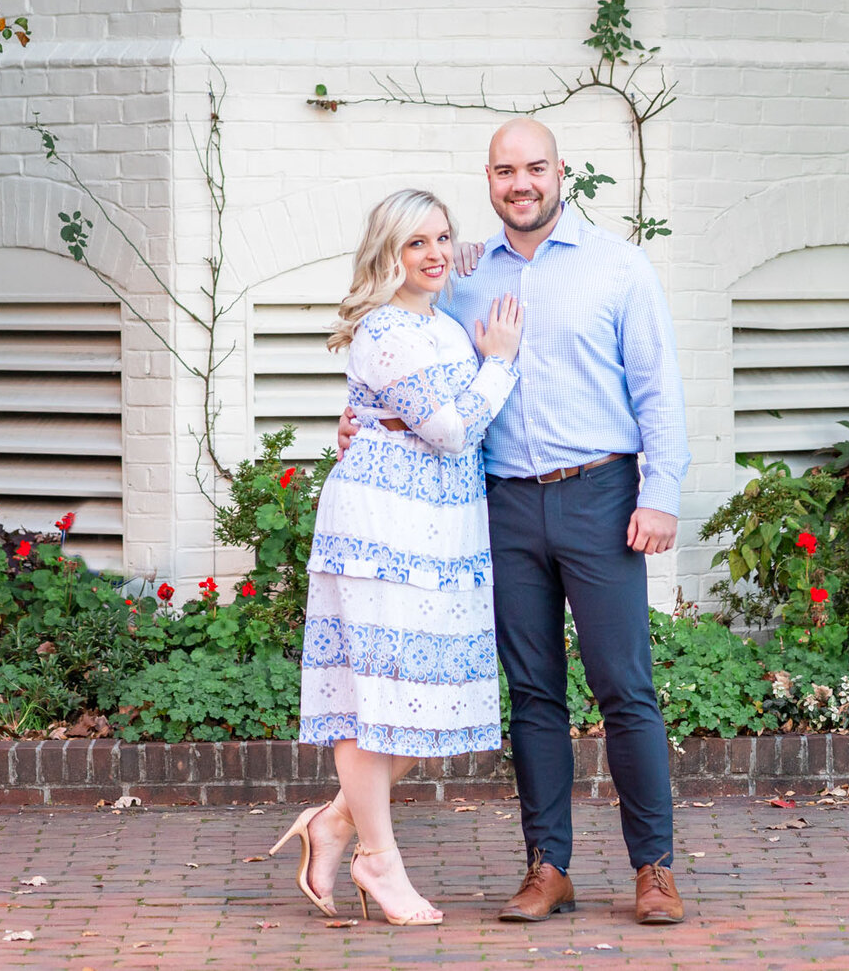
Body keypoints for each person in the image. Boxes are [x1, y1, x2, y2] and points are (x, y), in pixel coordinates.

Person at [338, 117, 691, 927]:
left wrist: (659, 491)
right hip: (501, 503)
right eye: (504, 171)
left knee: (624, 688)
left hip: (601, 495)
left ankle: (654, 870)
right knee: (533, 693)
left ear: (562, 171)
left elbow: (658, 390)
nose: (520, 183)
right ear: (489, 179)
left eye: (535, 168)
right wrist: (354, 421)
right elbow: (403, 366)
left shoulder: (618, 267)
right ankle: (548, 868)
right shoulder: (457, 275)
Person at [272, 188, 524, 926]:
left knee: (439, 695)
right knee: (372, 696)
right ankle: (379, 862)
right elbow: (449, 431)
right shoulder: (387, 331)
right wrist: (500, 363)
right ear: (388, 254)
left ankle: (338, 822)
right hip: (381, 527)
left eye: (443, 238)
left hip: (441, 530)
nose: (437, 253)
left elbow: (464, 259)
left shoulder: (440, 319)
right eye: (417, 244)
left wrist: (472, 251)